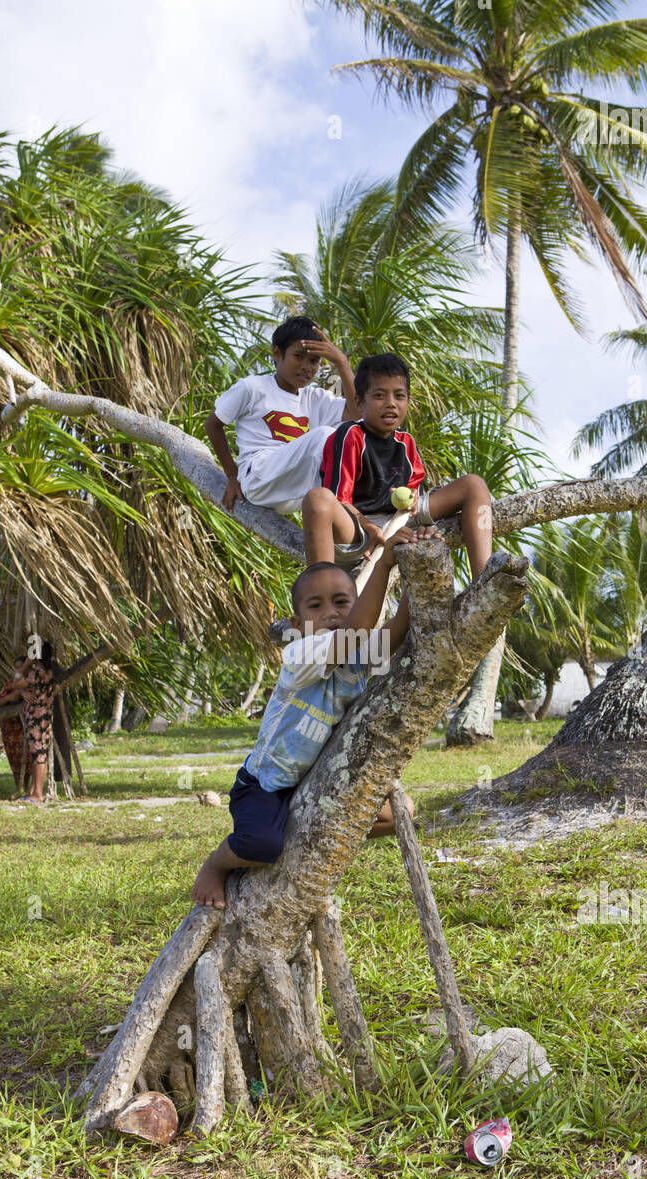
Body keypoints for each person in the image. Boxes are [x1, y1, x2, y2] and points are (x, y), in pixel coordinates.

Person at [191, 528, 433, 908]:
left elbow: (395, 633)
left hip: (312, 785)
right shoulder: (301, 654)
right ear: (297, 623)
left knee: (395, 816)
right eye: (315, 607)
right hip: (264, 785)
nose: (331, 613)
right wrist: (384, 564)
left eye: (342, 602)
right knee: (261, 844)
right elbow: (357, 632)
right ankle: (216, 863)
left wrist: (414, 574)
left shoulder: (359, 654)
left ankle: (305, 832)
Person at [302, 352, 493, 581]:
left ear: (408, 401)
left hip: (399, 519)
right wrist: (367, 525)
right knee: (317, 498)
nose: (390, 403)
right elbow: (340, 501)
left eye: (399, 396)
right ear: (359, 402)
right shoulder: (351, 435)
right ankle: (319, 587)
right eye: (380, 395)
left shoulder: (406, 442)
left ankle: (484, 579)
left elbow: (414, 495)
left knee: (474, 485)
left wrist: (419, 516)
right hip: (359, 526)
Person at [206, 316, 359, 517]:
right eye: (299, 356)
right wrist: (232, 475)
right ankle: (348, 509)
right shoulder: (253, 387)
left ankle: (355, 513)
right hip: (259, 480)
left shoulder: (316, 398)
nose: (306, 366)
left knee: (356, 434)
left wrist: (342, 362)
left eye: (314, 361)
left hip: (294, 495)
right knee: (325, 435)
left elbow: (358, 414)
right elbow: (213, 424)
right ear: (277, 354)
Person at [7, 644, 56, 803]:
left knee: (38, 756)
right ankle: (34, 792)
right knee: (38, 755)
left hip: (36, 718)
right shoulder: (49, 672)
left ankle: (37, 794)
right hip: (45, 717)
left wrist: (26, 665)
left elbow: (14, 684)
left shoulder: (36, 673)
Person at [0, 656, 32, 793]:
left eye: (22, 667)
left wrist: (23, 692)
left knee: (28, 757)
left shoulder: (33, 682)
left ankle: (27, 788)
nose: (19, 670)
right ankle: (19, 788)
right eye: (16, 667)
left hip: (26, 726)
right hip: (10, 728)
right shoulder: (9, 685)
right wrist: (10, 697)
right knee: (14, 758)